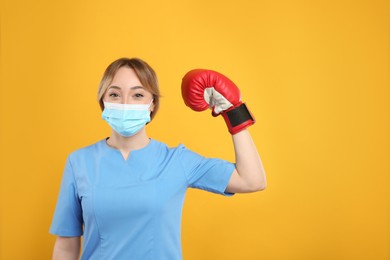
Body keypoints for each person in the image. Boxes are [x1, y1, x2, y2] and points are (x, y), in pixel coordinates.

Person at [49, 57, 267, 260]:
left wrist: (233, 111)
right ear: (103, 100)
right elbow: (67, 241)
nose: (125, 103)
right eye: (114, 94)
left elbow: (252, 180)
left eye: (138, 95)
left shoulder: (177, 161)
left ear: (152, 103)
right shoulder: (79, 162)